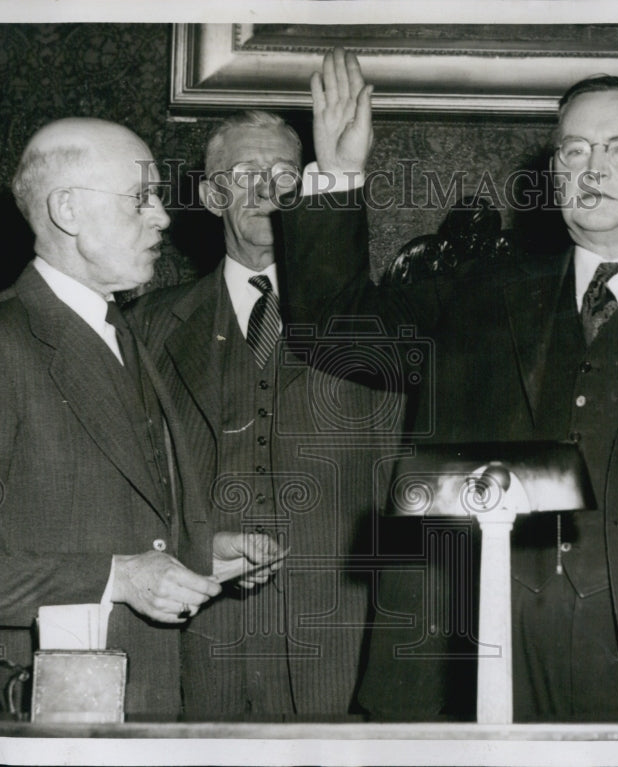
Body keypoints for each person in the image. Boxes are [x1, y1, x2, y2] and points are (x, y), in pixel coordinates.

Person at [278, 49, 618, 719]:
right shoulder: (478, 293)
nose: (593, 168)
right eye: (574, 151)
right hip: (479, 654)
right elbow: (333, 334)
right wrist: (342, 172)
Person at [0, 117, 280, 721]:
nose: (163, 218)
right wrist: (117, 578)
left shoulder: (123, 332)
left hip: (138, 703)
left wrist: (199, 551)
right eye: (141, 198)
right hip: (30, 710)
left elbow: (111, 515)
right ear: (68, 210)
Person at [127, 111, 401, 720]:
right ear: (210, 194)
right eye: (245, 172)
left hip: (340, 645)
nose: (266, 190)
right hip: (195, 649)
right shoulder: (147, 328)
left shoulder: (372, 322)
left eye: (284, 174)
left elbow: (397, 479)